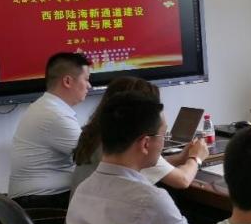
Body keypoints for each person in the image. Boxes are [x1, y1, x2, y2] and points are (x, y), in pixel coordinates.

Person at [67, 91, 197, 224]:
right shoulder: (149, 201)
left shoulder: (83, 189)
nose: (163, 142)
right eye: (163, 136)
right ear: (145, 144)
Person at [71, 76, 209, 191]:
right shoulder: (129, 144)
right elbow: (183, 180)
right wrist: (196, 158)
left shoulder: (95, 132)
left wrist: (179, 158)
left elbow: (146, 167)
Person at [8, 52, 93, 210]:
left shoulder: (47, 106)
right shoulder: (55, 115)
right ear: (67, 81)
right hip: (40, 202)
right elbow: (92, 157)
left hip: (36, 198)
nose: (89, 86)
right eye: (86, 79)